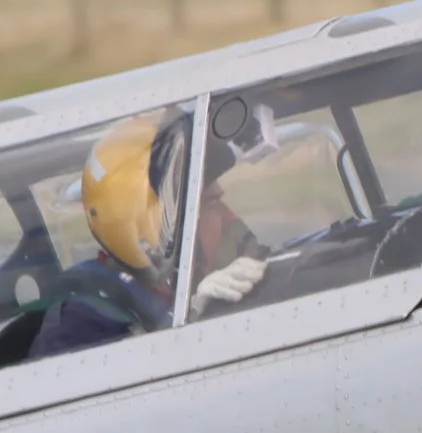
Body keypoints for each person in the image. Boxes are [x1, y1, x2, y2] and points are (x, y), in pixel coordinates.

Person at [27, 112, 267, 362]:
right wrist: (190, 320)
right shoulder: (80, 322)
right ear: (144, 225)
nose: (228, 218)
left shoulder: (184, 285)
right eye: (209, 204)